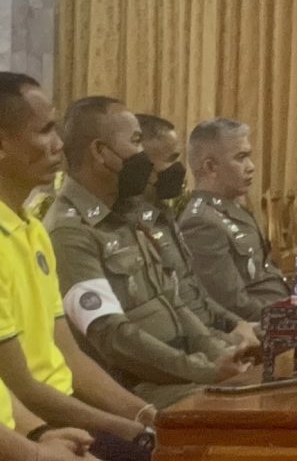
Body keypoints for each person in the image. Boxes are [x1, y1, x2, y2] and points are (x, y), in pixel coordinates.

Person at [45, 97, 252, 410]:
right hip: (136, 390)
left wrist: (218, 354)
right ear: (100, 152)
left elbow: (172, 300)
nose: (143, 154)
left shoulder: (126, 214)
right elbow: (112, 336)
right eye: (135, 141)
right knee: (254, 413)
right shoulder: (70, 230)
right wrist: (204, 370)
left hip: (181, 372)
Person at [0, 74, 155, 460]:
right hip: (37, 421)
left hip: (49, 417)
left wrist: (143, 416)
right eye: (45, 131)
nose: (59, 145)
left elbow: (68, 357)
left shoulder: (33, 229)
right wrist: (40, 445)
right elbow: (21, 385)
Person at [131, 114, 259, 349]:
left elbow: (197, 293)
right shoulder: (136, 226)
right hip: (191, 350)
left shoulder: (164, 217)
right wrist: (225, 342)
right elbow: (170, 315)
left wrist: (237, 325)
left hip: (210, 339)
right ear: (143, 166)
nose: (180, 169)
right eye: (171, 159)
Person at [178, 119, 288, 321]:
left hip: (277, 309)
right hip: (257, 327)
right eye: (241, 158)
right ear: (211, 167)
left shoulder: (234, 207)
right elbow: (232, 304)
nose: (251, 167)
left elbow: (266, 274)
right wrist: (289, 318)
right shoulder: (201, 222)